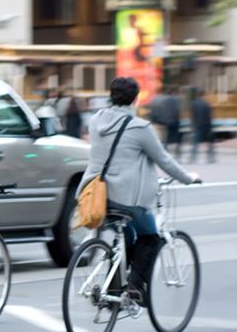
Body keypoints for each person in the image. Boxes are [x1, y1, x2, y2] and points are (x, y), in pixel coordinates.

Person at [80, 77, 200, 305]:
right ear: (135, 99)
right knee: (151, 238)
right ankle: (135, 287)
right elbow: (164, 160)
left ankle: (114, 292)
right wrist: (188, 178)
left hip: (96, 194)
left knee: (125, 240)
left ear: (111, 96)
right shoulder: (140, 128)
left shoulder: (96, 121)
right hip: (126, 198)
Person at [150, 87, 182, 154]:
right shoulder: (175, 100)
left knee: (165, 137)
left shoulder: (159, 99)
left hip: (163, 121)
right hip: (173, 120)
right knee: (175, 136)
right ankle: (176, 150)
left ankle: (165, 149)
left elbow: (162, 110)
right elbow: (177, 110)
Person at [189, 87, 215, 164]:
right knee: (210, 143)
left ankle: (193, 157)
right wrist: (210, 126)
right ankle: (211, 157)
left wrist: (193, 125)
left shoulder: (194, 103)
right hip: (206, 125)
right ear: (204, 95)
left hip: (197, 125)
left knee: (195, 143)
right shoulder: (207, 104)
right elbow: (209, 116)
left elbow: (192, 116)